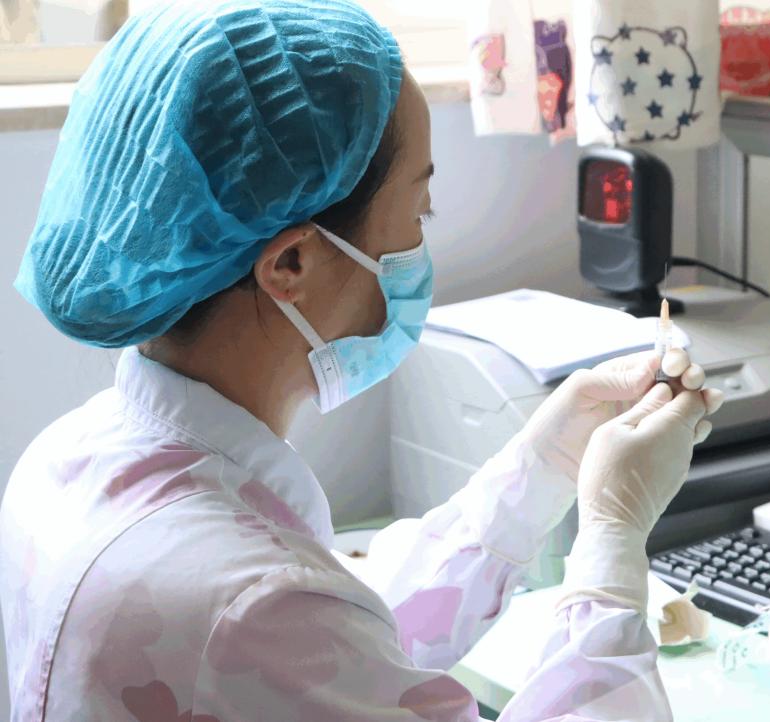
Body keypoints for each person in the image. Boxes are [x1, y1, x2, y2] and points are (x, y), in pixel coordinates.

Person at [0, 1, 723, 720]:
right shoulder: (250, 609)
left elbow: (348, 644)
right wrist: (612, 543)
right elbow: (297, 632)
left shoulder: (65, 461)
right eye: (419, 212)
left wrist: (543, 467)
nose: (419, 245)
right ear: (290, 263)